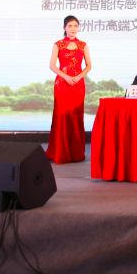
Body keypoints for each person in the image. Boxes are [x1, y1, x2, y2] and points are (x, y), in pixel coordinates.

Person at [46, 15, 91, 164]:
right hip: (62, 84)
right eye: (70, 26)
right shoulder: (58, 44)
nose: (73, 29)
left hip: (78, 85)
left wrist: (78, 77)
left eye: (75, 26)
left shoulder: (83, 45)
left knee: (76, 117)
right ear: (64, 28)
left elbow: (89, 66)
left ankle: (75, 153)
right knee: (62, 117)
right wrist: (65, 76)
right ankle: (60, 152)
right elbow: (52, 65)